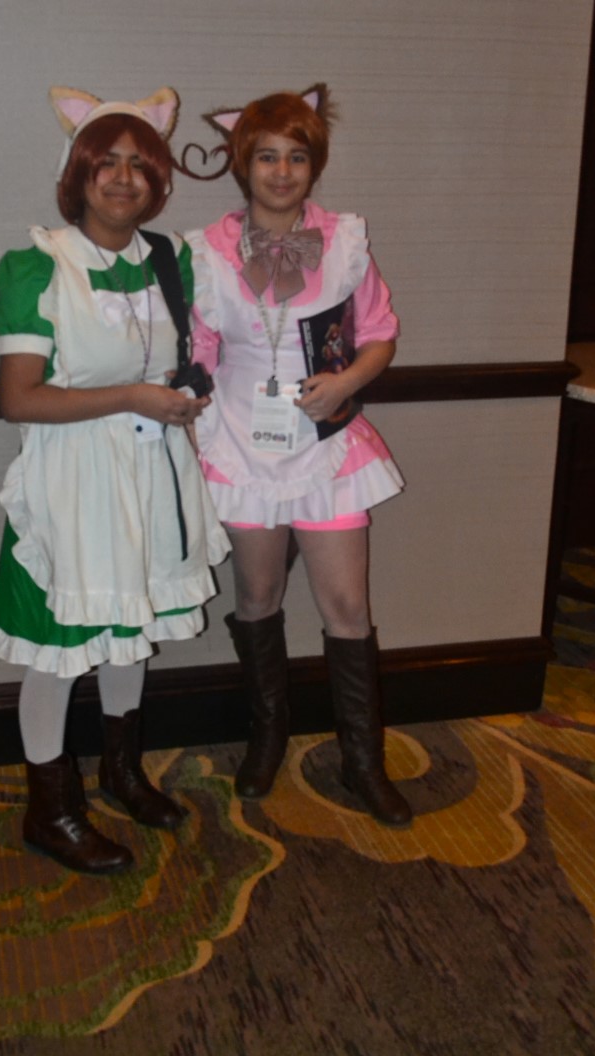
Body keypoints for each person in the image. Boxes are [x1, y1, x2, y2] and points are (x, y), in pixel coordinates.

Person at [0, 84, 230, 874]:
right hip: (75, 476)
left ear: (159, 180)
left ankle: (121, 773)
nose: (124, 179)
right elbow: (19, 398)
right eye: (106, 163)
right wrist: (131, 397)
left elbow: (199, 346)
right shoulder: (35, 266)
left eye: (140, 165)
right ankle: (50, 809)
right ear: (77, 174)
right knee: (59, 646)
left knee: (130, 627)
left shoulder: (171, 259)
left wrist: (182, 396)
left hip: (152, 468)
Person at [186, 85, 412, 828]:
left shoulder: (344, 241)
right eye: (266, 157)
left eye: (297, 157)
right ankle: (267, 735)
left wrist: (345, 382)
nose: (282, 172)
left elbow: (380, 332)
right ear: (242, 164)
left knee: (347, 608)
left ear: (314, 166)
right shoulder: (204, 252)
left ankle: (362, 761)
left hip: (326, 444)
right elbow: (200, 350)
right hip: (241, 442)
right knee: (257, 599)